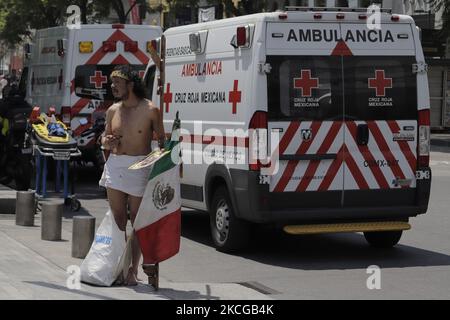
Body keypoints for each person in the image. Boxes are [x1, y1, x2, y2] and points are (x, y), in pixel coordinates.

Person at [99, 65, 165, 285]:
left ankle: (132, 270)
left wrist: (164, 163)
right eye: (112, 83)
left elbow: (162, 143)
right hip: (115, 165)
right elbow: (104, 137)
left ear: (130, 84)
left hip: (139, 166)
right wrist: (106, 141)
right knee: (118, 220)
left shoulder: (150, 110)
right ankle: (117, 265)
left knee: (136, 221)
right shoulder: (113, 110)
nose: (112, 86)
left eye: (117, 82)